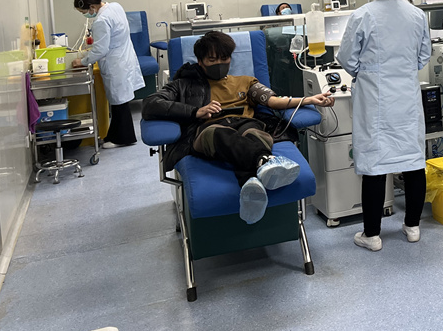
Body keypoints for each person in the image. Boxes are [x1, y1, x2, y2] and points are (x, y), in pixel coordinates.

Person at [142, 31, 334, 224]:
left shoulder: (246, 81)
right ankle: (265, 161)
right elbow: (151, 104)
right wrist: (195, 111)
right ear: (200, 61)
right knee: (219, 133)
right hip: (209, 130)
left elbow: (273, 101)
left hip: (246, 124)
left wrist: (309, 99)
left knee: (255, 133)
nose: (219, 64)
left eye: (224, 58)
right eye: (212, 60)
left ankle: (250, 183)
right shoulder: (183, 85)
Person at [338, 0, 432, 251]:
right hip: (406, 96)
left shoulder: (363, 15)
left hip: (374, 97)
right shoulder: (416, 15)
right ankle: (413, 226)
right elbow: (423, 56)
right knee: (413, 160)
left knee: (375, 165)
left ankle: (372, 235)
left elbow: (346, 59)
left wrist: (368, 73)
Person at [72, 0, 145, 148]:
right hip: (124, 57)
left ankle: (123, 138)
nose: (85, 15)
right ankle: (114, 135)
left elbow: (100, 50)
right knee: (120, 101)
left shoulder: (101, 21)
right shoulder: (115, 6)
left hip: (115, 62)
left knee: (119, 101)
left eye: (84, 12)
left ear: (92, 7)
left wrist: (82, 62)